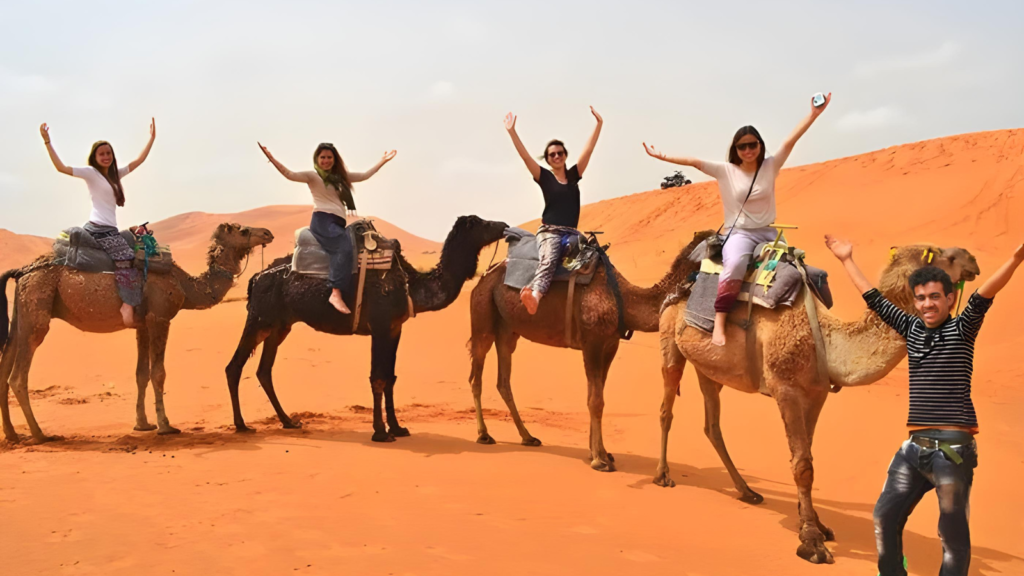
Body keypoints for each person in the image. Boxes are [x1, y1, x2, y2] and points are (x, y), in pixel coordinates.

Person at [825, 234, 1024, 576]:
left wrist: (1016, 260)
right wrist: (846, 260)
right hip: (913, 449)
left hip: (952, 451)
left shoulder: (962, 329)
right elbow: (874, 299)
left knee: (952, 534)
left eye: (934, 297)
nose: (927, 304)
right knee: (885, 516)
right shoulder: (912, 328)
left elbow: (986, 293)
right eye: (921, 299)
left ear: (949, 299)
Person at [643, 94, 831, 345]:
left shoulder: (770, 165)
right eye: (742, 146)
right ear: (736, 149)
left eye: (752, 145)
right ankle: (719, 321)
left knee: (797, 268)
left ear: (759, 145)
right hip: (740, 233)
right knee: (734, 267)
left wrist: (813, 114)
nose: (748, 150)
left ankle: (815, 323)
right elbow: (694, 162)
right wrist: (662, 157)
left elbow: (791, 140)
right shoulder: (725, 170)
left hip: (769, 231)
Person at [40, 119, 157, 327]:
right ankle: (127, 305)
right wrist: (47, 142)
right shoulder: (90, 174)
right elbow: (62, 168)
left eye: (108, 153)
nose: (106, 157)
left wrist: (151, 139)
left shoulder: (115, 175)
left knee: (137, 246)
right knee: (126, 258)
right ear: (95, 157)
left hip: (110, 229)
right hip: (98, 229)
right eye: (101, 154)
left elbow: (138, 161)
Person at [259, 142, 396, 314]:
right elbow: (289, 174)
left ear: (334, 159)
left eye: (329, 157)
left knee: (355, 243)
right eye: (322, 157)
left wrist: (382, 161)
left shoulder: (341, 177)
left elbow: (364, 176)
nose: (325, 160)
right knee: (344, 247)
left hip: (338, 222)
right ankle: (336, 292)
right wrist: (271, 158)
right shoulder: (312, 176)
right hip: (322, 220)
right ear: (317, 158)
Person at [504, 106, 603, 314]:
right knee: (549, 260)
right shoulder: (545, 177)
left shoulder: (574, 175)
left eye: (559, 153)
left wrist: (598, 125)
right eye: (552, 155)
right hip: (550, 232)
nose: (556, 156)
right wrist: (512, 132)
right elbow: (526, 158)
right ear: (548, 159)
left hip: (572, 234)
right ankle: (536, 297)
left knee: (590, 256)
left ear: (565, 155)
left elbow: (589, 151)